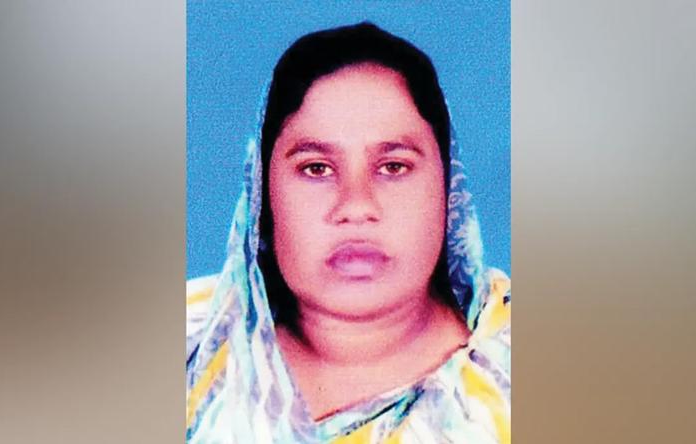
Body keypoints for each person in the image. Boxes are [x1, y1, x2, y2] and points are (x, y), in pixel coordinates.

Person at [186, 22, 510, 443]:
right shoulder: (187, 343)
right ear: (262, 195)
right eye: (316, 168)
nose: (356, 206)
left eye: (393, 166)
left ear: (450, 191)